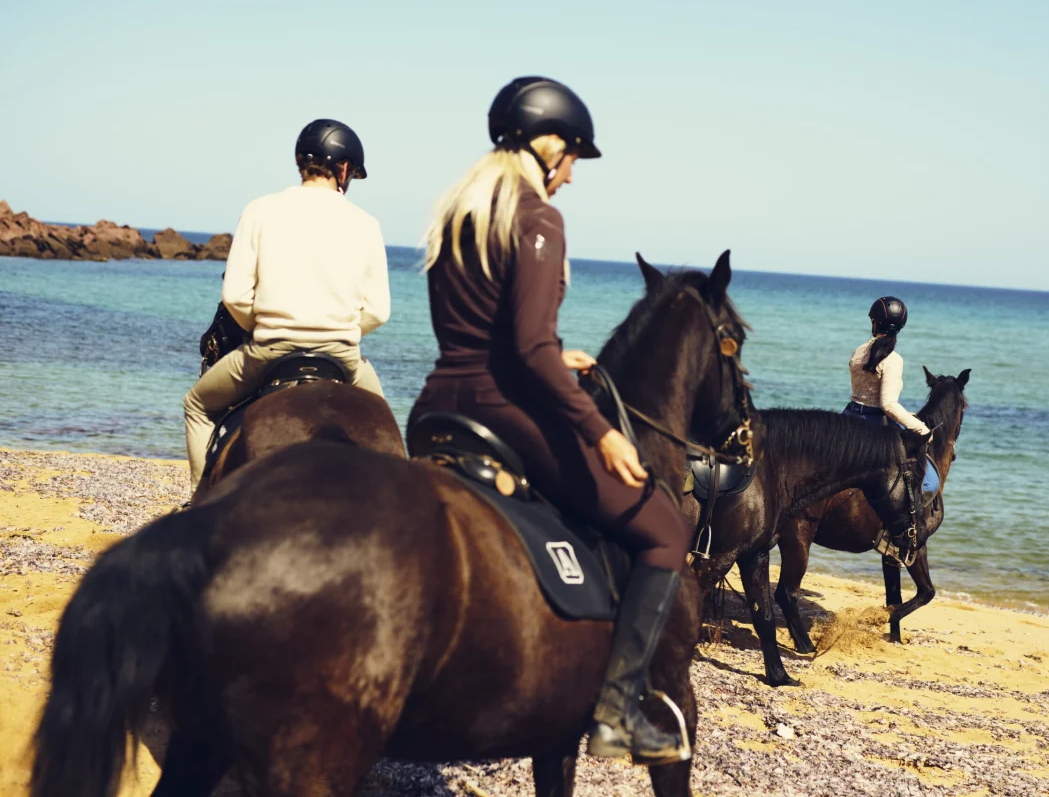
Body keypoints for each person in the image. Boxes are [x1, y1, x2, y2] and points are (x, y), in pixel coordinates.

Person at [407, 76, 688, 765]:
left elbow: (483, 334)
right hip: (501, 407)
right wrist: (602, 432)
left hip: (435, 404)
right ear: (548, 144)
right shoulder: (536, 217)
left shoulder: (459, 212)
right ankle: (618, 711)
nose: (570, 176)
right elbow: (529, 352)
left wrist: (559, 354)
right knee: (665, 530)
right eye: (572, 159)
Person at [183, 119, 391, 491]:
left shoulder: (260, 210)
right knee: (383, 427)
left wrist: (265, 327)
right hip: (342, 357)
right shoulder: (366, 223)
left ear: (301, 162)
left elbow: (235, 296)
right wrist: (340, 330)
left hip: (267, 353)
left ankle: (200, 502)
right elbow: (378, 311)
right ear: (344, 169)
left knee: (197, 407)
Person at [845, 296, 939, 492]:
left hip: (849, 416)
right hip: (876, 424)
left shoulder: (858, 351)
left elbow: (865, 395)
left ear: (875, 323)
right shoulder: (893, 359)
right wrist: (922, 429)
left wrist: (907, 415)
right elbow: (887, 405)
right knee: (930, 482)